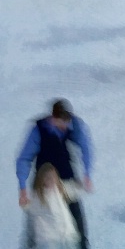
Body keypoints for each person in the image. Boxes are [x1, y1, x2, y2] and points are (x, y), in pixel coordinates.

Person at [16, 99, 93, 249]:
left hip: (65, 176)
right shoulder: (38, 130)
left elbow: (86, 147)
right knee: (36, 220)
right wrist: (23, 186)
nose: (64, 127)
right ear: (52, 118)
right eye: (60, 123)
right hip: (43, 179)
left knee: (77, 220)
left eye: (66, 123)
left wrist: (87, 174)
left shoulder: (74, 124)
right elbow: (24, 158)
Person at [24, 162, 81, 249]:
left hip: (67, 235)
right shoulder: (38, 195)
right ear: (42, 180)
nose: (51, 180)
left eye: (53, 177)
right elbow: (30, 207)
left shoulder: (61, 188)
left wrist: (83, 185)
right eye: (47, 178)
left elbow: (73, 189)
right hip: (49, 239)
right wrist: (25, 202)